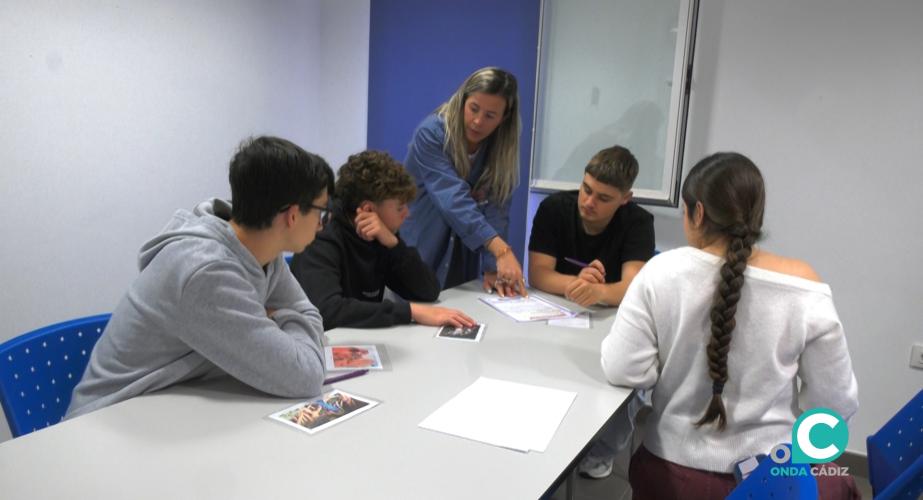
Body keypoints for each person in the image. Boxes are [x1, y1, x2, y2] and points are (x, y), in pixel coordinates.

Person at [600, 152, 859, 498]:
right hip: (772, 483)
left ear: (699, 213)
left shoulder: (660, 273)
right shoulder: (805, 287)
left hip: (670, 477)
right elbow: (835, 406)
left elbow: (623, 370)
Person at [66, 136, 334, 419]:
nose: (321, 224)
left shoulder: (266, 253)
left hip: (171, 410)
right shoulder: (206, 271)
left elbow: (309, 316)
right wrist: (282, 319)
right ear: (292, 215)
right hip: (108, 424)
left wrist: (275, 317)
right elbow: (306, 376)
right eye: (321, 212)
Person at [291, 150, 475, 330]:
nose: (407, 214)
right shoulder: (319, 239)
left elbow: (428, 291)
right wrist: (410, 312)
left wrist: (395, 245)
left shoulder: (381, 236)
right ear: (369, 210)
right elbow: (329, 311)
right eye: (400, 208)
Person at [401, 66, 526, 297]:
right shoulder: (431, 133)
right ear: (462, 100)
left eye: (490, 116)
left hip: (460, 261)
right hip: (420, 245)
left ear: (504, 117)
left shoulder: (500, 149)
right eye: (474, 109)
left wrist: (492, 266)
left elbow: (496, 208)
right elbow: (452, 198)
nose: (478, 121)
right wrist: (500, 250)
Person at [528, 145, 655, 307]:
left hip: (610, 315)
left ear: (625, 198)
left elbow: (633, 288)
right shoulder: (553, 209)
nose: (589, 203)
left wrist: (599, 292)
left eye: (603, 198)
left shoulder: (638, 222)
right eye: (587, 190)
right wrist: (578, 284)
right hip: (560, 307)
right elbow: (537, 274)